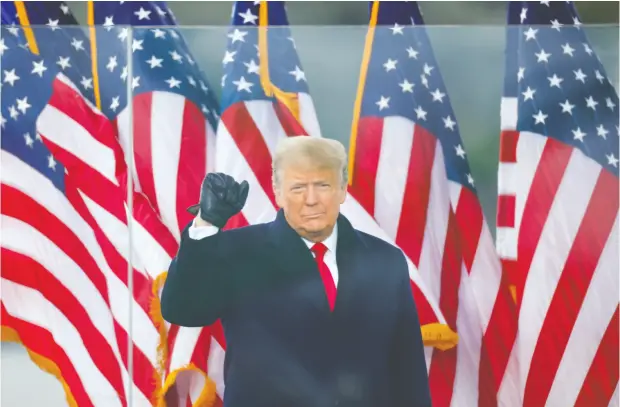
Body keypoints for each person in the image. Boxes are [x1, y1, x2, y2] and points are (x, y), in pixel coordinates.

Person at [160, 136, 432, 407]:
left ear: (342, 189)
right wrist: (207, 224)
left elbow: (406, 368)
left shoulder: (385, 259)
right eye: (298, 187)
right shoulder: (238, 251)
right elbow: (183, 310)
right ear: (277, 192)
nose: (311, 200)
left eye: (322, 185)